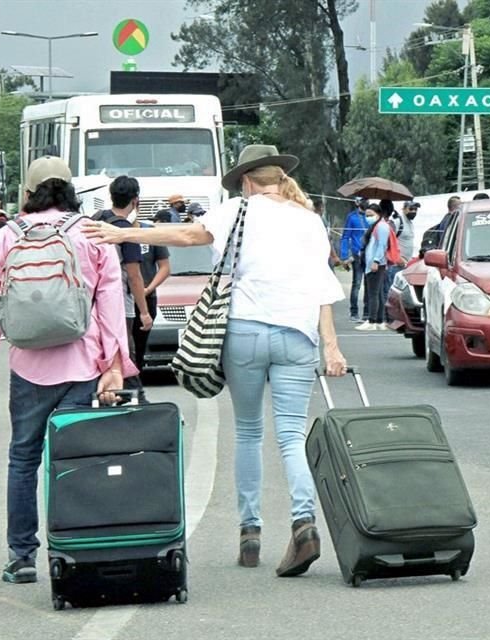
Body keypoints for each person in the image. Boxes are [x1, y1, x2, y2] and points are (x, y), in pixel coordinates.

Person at [84, 144, 348, 577]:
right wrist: (332, 346)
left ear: (245, 180)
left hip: (245, 331)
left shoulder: (237, 211)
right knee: (290, 434)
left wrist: (126, 234)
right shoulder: (310, 220)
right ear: (279, 176)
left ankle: (250, 531)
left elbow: (187, 235)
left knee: (247, 431)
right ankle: (304, 524)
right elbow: (323, 287)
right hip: (298, 336)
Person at [0, 156, 137, 585]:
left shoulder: (7, 236)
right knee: (72, 461)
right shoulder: (92, 233)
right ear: (70, 190)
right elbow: (111, 303)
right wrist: (114, 364)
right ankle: (74, 550)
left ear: (27, 193)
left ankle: (22, 558)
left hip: (28, 367)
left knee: (23, 460)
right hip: (82, 365)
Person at [93, 176, 154, 400]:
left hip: (92, 299)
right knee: (125, 349)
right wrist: (144, 311)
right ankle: (135, 398)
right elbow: (134, 275)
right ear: (135, 200)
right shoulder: (125, 231)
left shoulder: (96, 220)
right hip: (118, 300)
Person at [133, 216, 171, 378]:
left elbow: (165, 267)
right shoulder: (112, 229)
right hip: (120, 299)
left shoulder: (150, 232)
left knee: (139, 348)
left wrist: (148, 289)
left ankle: (137, 386)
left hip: (147, 298)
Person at [357, 200, 395, 331]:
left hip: (376, 264)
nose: (368, 218)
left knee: (373, 293)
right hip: (373, 263)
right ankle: (379, 320)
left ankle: (372, 320)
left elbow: (382, 245)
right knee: (377, 293)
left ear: (378, 214)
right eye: (366, 215)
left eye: (370, 214)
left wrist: (376, 261)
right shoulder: (376, 226)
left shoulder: (382, 227)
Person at [339, 196, 369, 320]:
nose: (366, 202)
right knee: (356, 283)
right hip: (357, 255)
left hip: (369, 255)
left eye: (367, 200)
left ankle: (367, 313)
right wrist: (344, 256)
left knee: (369, 284)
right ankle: (354, 312)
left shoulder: (371, 216)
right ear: (357, 203)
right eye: (363, 200)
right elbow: (345, 236)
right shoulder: (352, 217)